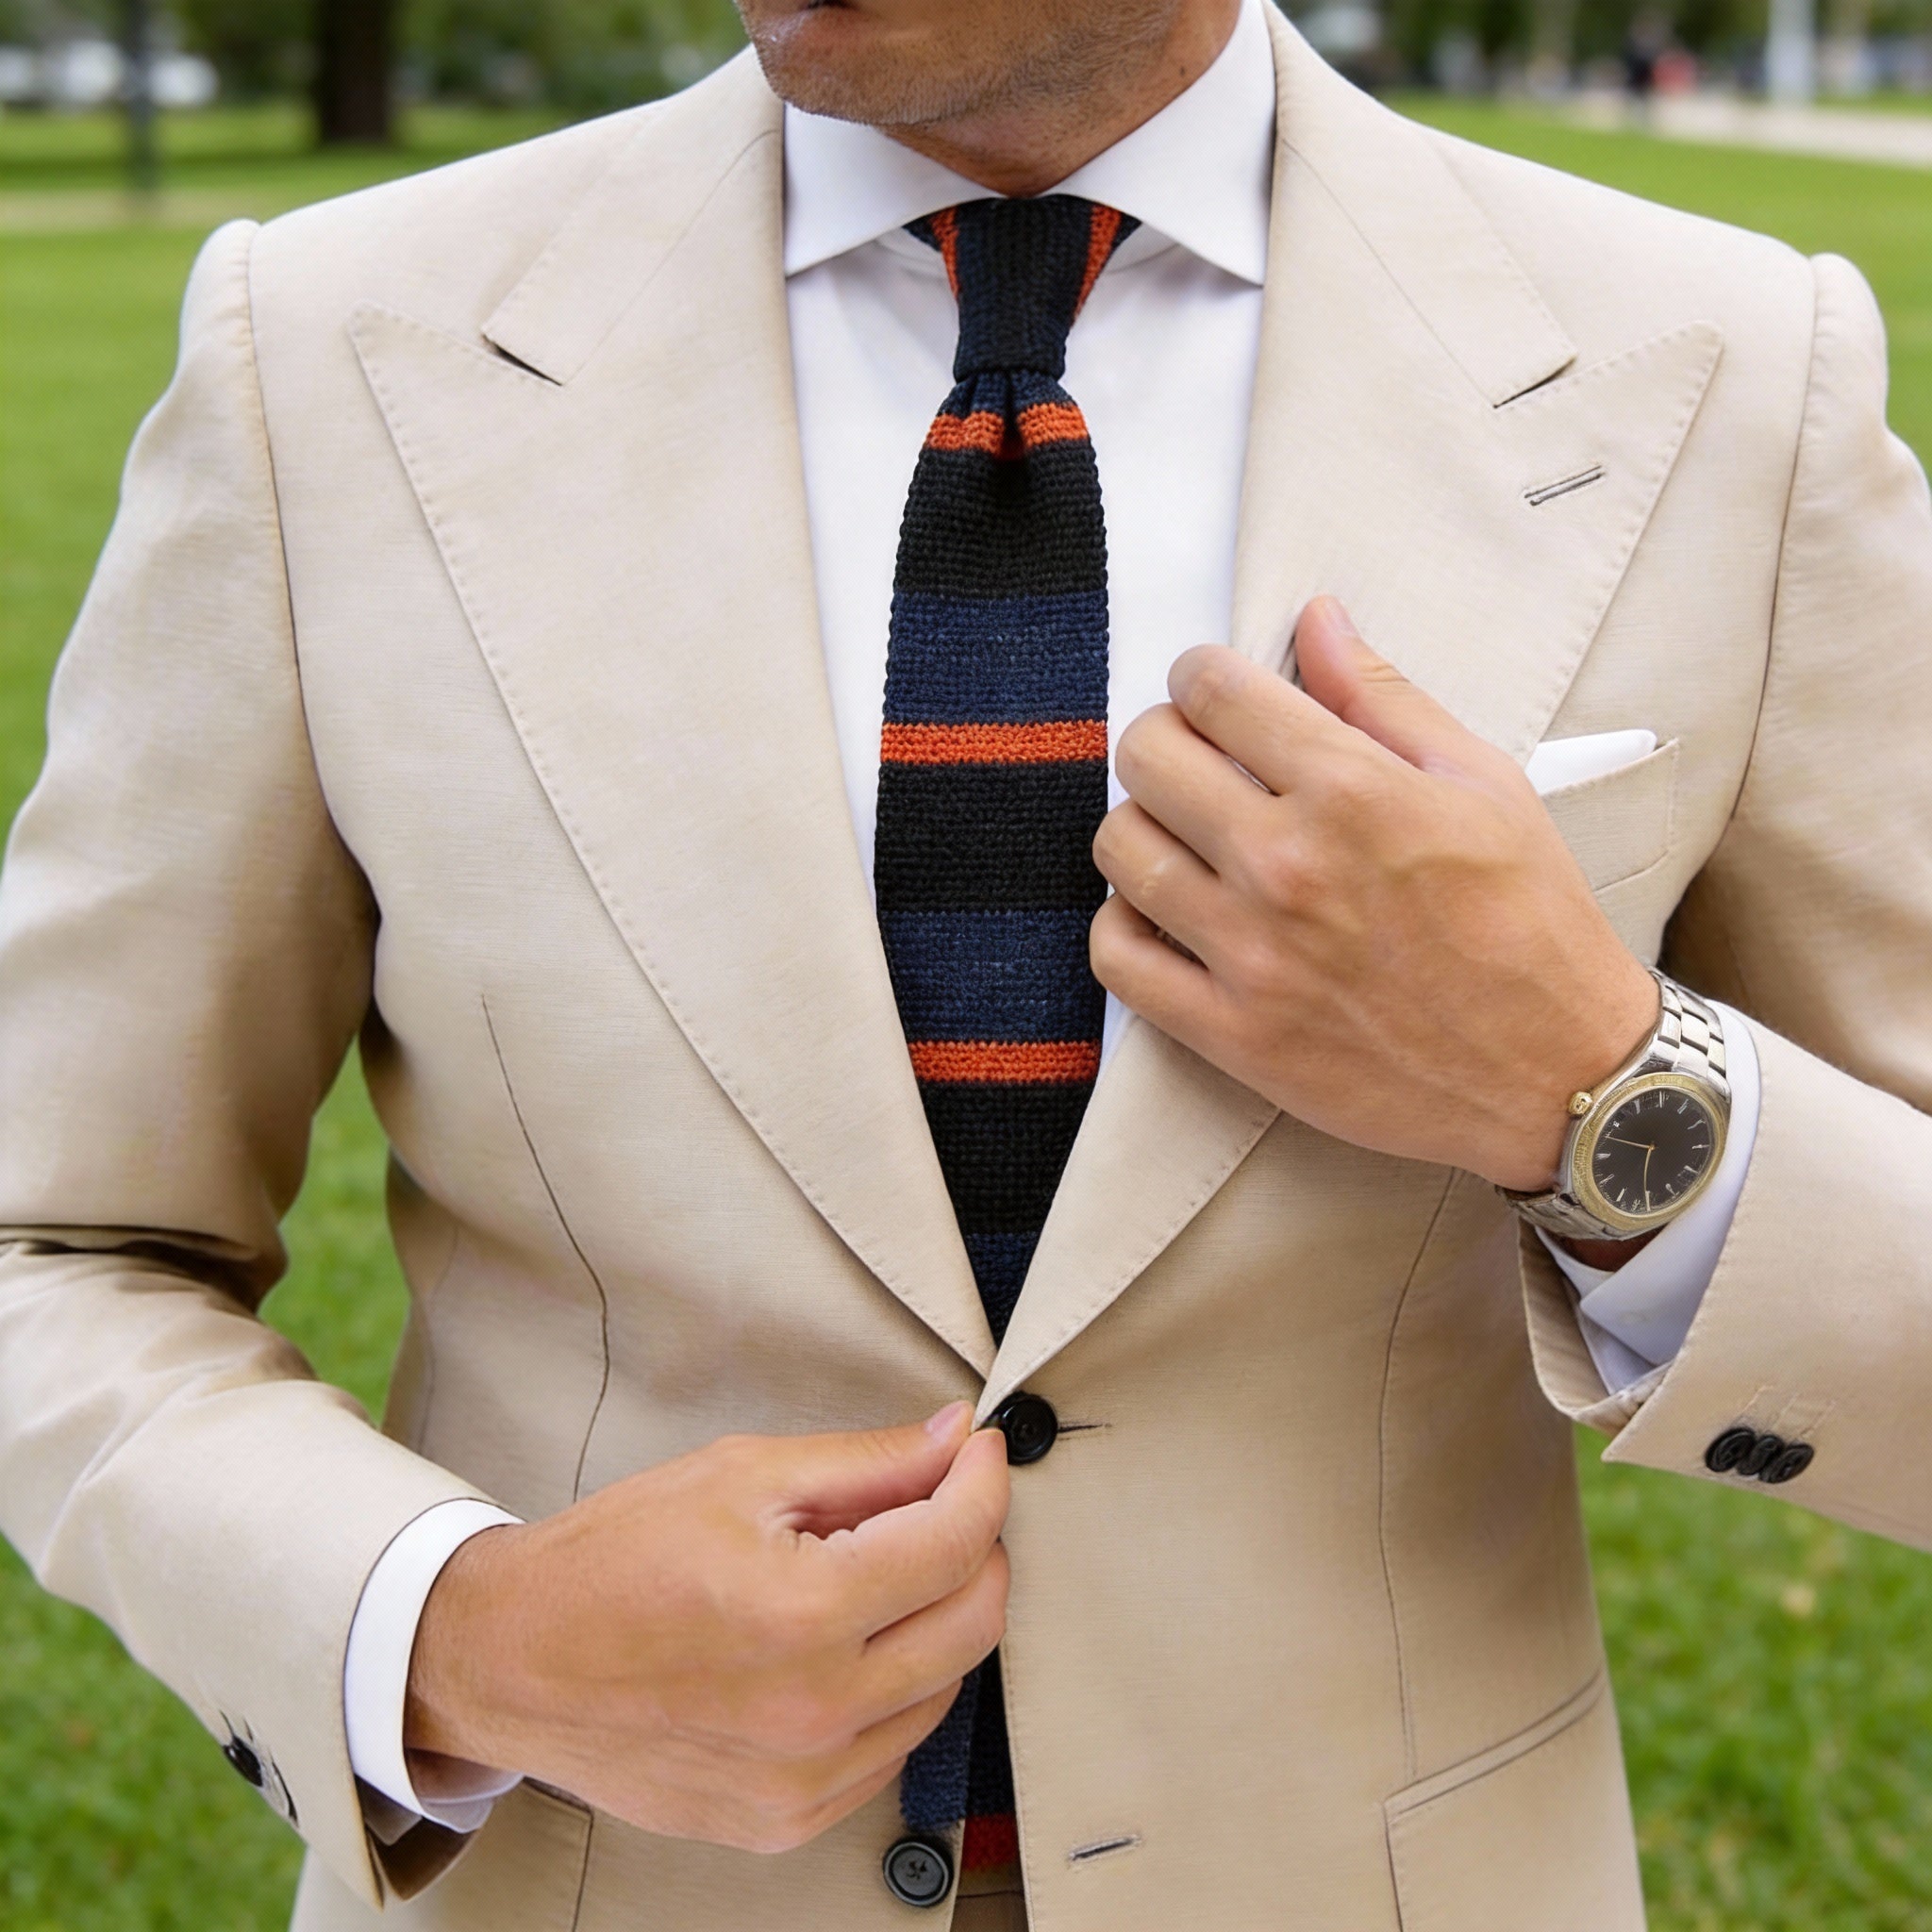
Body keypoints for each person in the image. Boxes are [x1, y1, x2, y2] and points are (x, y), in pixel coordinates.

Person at [2, 0, 1929, 1924]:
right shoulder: (328, 350)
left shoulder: (1729, 377)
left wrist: (1599, 1090)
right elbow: (55, 1239)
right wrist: (452, 1633)